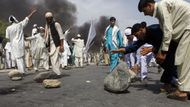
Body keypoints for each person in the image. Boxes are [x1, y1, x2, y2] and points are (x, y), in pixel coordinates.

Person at [138, 0, 190, 101]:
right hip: (185, 30)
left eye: (144, 11)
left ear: (149, 5)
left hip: (187, 29)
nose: (145, 14)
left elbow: (168, 30)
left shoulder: (161, 7)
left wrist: (163, 52)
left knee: (181, 60)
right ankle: (186, 89)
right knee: (186, 61)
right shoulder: (161, 11)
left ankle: (183, 92)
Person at [112, 22, 178, 92]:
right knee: (162, 61)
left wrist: (150, 49)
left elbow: (165, 41)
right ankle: (172, 81)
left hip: (174, 45)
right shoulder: (144, 36)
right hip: (163, 49)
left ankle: (172, 83)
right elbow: (135, 46)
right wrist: (123, 49)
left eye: (137, 35)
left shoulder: (155, 29)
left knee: (170, 63)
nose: (137, 38)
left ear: (141, 30)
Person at [6, 9, 36, 74]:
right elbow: (27, 18)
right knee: (22, 57)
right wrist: (32, 13)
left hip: (14, 44)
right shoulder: (19, 25)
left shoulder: (8, 28)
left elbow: (7, 37)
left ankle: (22, 71)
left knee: (18, 58)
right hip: (21, 43)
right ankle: (24, 71)